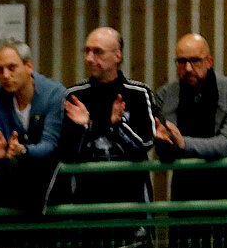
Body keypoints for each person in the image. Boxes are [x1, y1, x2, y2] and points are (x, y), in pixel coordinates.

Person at [61, 26, 157, 204]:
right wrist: (91, 127)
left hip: (131, 197)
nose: (89, 58)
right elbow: (68, 152)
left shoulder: (138, 93)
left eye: (98, 52)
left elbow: (145, 143)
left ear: (117, 56)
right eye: (87, 51)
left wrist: (116, 126)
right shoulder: (74, 95)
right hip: (87, 198)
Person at [152, 33, 227, 199]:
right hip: (186, 191)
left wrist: (183, 144)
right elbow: (166, 151)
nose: (188, 68)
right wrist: (163, 143)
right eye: (182, 61)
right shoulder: (165, 95)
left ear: (209, 62)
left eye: (195, 60)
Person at [0, 40, 65, 213]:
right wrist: (0, 151)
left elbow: (49, 144)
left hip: (46, 178)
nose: (5, 75)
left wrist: (23, 150)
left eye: (12, 68)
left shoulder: (54, 93)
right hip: (9, 176)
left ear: (29, 66)